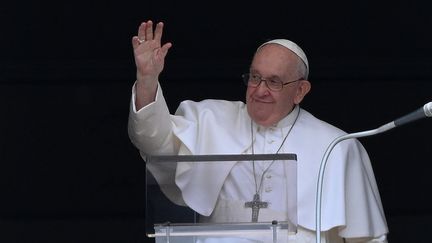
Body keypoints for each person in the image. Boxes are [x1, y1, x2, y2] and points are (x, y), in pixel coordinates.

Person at [128, 20, 389, 242]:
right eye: (255, 77)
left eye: (274, 81)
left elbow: (366, 237)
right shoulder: (210, 119)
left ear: (300, 91)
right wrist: (147, 79)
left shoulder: (337, 146)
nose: (260, 90)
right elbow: (154, 141)